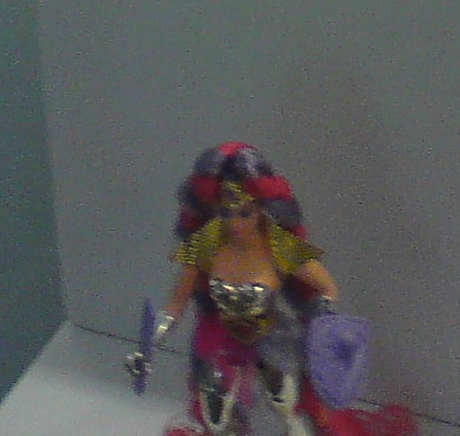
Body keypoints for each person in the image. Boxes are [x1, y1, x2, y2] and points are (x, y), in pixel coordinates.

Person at [127, 144, 358, 436]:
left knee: (284, 403)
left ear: (261, 207)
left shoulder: (278, 244)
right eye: (226, 213)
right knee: (216, 416)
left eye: (244, 213)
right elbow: (176, 303)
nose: (235, 223)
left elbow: (326, 286)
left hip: (272, 339)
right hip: (220, 341)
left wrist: (324, 320)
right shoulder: (206, 243)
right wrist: (150, 344)